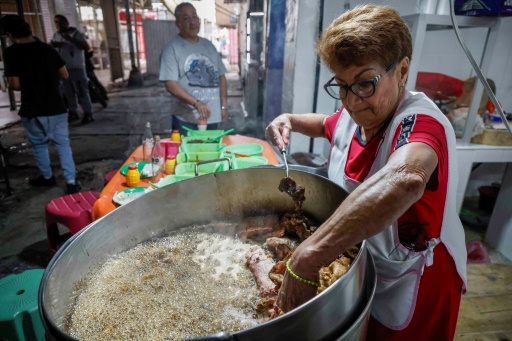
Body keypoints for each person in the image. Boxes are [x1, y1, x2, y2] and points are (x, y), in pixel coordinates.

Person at [265, 5, 466, 340]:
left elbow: (407, 178)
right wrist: (290, 119)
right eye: (341, 86)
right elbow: (325, 124)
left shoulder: (420, 121)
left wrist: (307, 256)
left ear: (402, 70)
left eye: (365, 84)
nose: (352, 101)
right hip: (366, 269)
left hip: (415, 281)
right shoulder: (354, 115)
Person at [1, 15, 81, 194]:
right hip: (55, 106)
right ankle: (71, 181)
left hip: (32, 108)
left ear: (10, 34)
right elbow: (65, 75)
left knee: (39, 145)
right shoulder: (47, 48)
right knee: (63, 145)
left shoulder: (11, 52)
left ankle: (47, 177)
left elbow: (15, 85)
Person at [159, 2, 228, 136]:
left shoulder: (209, 46)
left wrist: (223, 107)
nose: (192, 22)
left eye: (194, 17)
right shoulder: (172, 48)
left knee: (212, 155)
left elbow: (221, 77)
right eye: (186, 18)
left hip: (212, 118)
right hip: (186, 120)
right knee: (187, 156)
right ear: (178, 23)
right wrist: (196, 103)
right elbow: (170, 84)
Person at [51, 14, 94, 124]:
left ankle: (87, 112)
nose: (58, 24)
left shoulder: (76, 34)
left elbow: (86, 47)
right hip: (64, 69)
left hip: (77, 67)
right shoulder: (56, 35)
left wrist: (70, 39)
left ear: (66, 23)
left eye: (60, 22)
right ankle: (73, 112)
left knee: (81, 91)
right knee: (68, 92)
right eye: (56, 22)